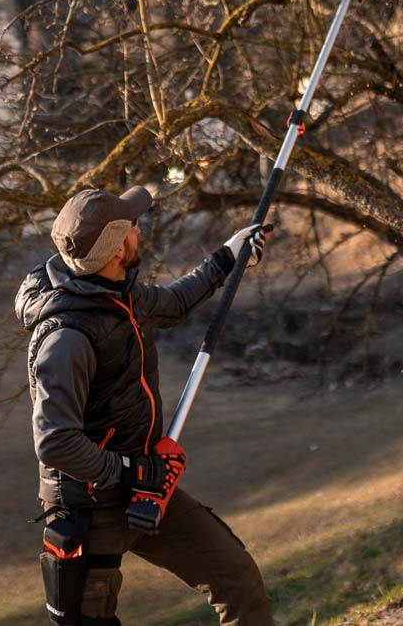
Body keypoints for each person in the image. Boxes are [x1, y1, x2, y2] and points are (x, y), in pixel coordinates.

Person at [15, 185, 275, 626]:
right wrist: (128, 470)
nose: (140, 228)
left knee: (237, 580)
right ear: (118, 248)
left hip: (145, 489)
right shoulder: (67, 339)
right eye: (133, 225)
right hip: (89, 508)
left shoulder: (117, 294)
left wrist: (227, 260)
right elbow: (56, 443)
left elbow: (173, 303)